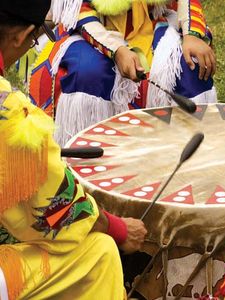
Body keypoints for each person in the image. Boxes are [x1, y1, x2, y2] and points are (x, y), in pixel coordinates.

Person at [0, 1, 147, 298]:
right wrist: (117, 228)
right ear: (20, 36)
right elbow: (54, 209)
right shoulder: (9, 116)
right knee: (100, 252)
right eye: (34, 38)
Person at [30, 0, 217, 146]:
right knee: (89, 73)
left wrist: (192, 35)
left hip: (153, 22)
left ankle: (187, 157)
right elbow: (79, 11)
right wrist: (116, 50)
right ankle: (84, 161)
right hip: (89, 29)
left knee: (189, 67)